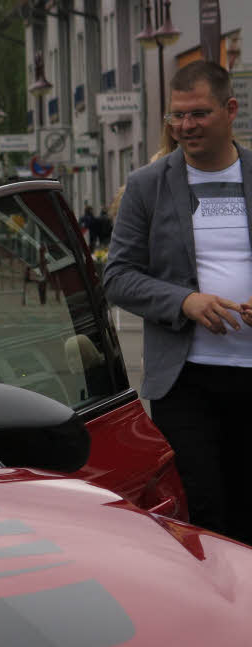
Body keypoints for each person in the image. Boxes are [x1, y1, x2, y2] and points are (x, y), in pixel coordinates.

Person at [103, 60, 252, 544]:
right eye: (177, 116)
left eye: (199, 114)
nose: (186, 126)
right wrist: (184, 301)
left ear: (231, 110)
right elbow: (118, 276)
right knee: (205, 509)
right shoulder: (148, 185)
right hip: (186, 382)